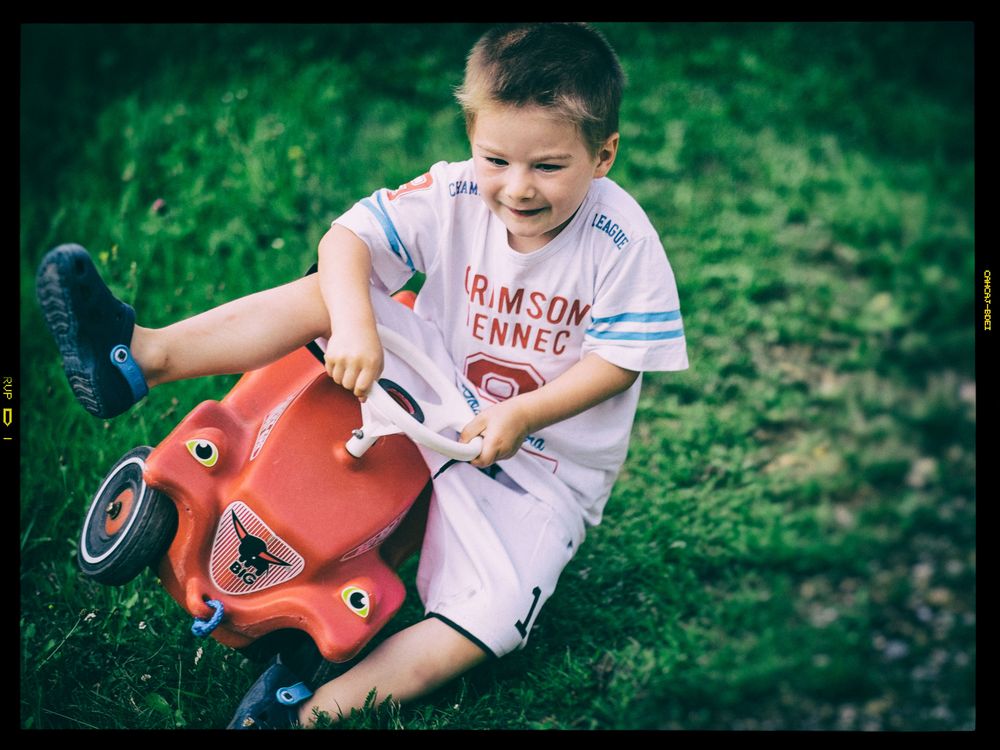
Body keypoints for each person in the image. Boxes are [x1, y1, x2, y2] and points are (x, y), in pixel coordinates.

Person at [36, 22, 688, 728]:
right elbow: (349, 238)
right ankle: (137, 358)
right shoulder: (459, 192)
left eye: (549, 167)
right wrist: (352, 326)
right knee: (330, 291)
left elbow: (618, 364)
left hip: (537, 466)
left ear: (604, 156)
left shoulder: (621, 241)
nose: (518, 187)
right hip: (434, 385)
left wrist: (523, 416)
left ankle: (310, 710)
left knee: (493, 623)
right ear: (471, 137)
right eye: (496, 158)